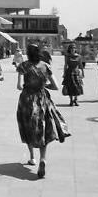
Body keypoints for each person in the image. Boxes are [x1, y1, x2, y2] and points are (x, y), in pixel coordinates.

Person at [16, 43, 66, 179]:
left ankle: (32, 157)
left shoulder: (23, 66)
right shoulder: (45, 66)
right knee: (42, 128)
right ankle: (43, 158)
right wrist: (43, 85)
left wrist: (28, 85)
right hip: (41, 100)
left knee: (27, 127)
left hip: (26, 100)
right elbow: (55, 86)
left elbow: (19, 86)